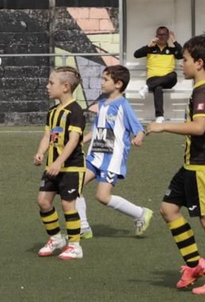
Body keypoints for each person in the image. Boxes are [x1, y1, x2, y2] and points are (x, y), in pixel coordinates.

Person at [144, 33, 205, 294]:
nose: (180, 64)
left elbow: (199, 127)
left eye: (183, 59)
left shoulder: (203, 91)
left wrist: (162, 127)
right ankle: (195, 264)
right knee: (168, 208)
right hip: (192, 164)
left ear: (198, 63)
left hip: (204, 165)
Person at [79, 64, 151, 238]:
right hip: (94, 155)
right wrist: (81, 141)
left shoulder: (123, 106)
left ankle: (140, 213)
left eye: (105, 79)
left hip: (112, 159)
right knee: (73, 186)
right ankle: (83, 228)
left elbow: (138, 129)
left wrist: (139, 137)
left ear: (118, 84)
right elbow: (97, 129)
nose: (101, 83)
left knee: (102, 197)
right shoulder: (102, 104)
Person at [33, 66, 86, 260]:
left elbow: (73, 141)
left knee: (67, 204)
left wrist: (59, 162)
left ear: (65, 87)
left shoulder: (76, 111)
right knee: (43, 201)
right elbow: (48, 135)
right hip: (52, 166)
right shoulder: (53, 111)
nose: (47, 86)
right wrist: (41, 152)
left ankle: (75, 245)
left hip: (71, 167)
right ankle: (56, 238)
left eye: (51, 83)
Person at [134, 27, 181, 122]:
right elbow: (136, 54)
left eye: (164, 34)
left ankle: (147, 87)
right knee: (158, 88)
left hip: (168, 79)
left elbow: (182, 54)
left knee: (173, 75)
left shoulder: (172, 50)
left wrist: (175, 41)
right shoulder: (150, 49)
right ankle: (159, 116)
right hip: (153, 79)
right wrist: (148, 46)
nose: (161, 37)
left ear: (168, 36)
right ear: (156, 36)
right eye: (159, 34)